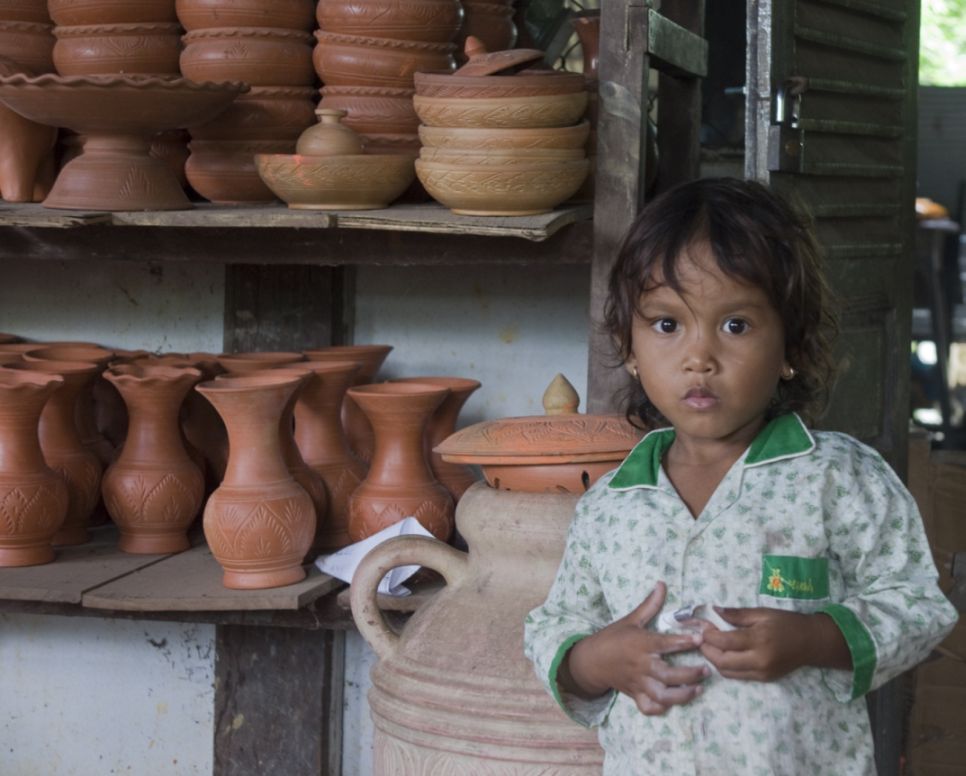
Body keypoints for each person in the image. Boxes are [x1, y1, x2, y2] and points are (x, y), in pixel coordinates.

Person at [523, 177, 958, 774]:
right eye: (667, 324)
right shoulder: (612, 502)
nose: (699, 356)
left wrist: (814, 640)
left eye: (735, 326)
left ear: (791, 347)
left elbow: (917, 605)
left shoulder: (837, 478)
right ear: (629, 344)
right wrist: (596, 661)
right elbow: (556, 624)